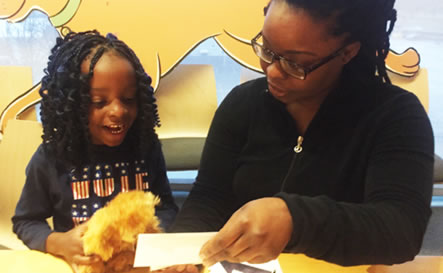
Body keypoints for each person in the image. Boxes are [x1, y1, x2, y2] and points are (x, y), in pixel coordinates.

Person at [169, 0, 434, 269]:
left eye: (295, 63)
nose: (272, 70)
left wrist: (295, 221)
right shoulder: (243, 105)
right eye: (267, 49)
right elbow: (209, 198)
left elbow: (401, 230)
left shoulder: (394, 117)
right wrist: (182, 255)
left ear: (348, 52)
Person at [12, 30, 178, 267]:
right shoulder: (51, 158)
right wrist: (58, 242)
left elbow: (167, 207)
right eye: (99, 102)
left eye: (129, 99)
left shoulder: (146, 148)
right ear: (71, 105)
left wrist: (156, 234)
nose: (118, 111)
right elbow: (26, 222)